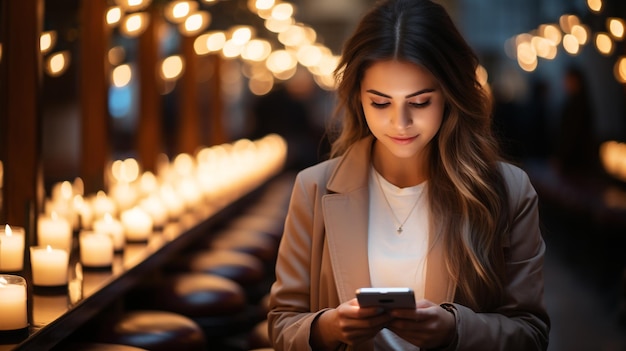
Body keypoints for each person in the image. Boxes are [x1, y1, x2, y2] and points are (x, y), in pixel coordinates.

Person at [267, 0, 550, 350]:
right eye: (381, 103)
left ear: (450, 95)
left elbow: (531, 333)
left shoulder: (507, 190)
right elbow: (282, 324)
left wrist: (455, 329)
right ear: (358, 98)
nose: (400, 123)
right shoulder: (314, 187)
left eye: (419, 102)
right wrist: (330, 327)